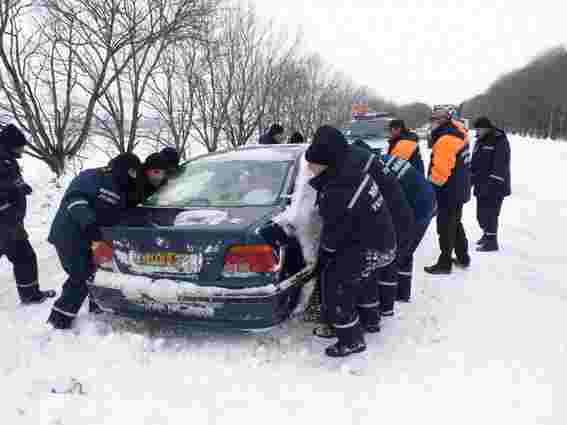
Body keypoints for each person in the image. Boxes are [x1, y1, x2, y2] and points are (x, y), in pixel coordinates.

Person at [304, 125, 397, 358]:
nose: (308, 168)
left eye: (312, 163)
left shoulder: (338, 190)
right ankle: (370, 321)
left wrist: (324, 257)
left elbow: (334, 236)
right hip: (382, 240)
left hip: (370, 246)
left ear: (326, 163)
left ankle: (351, 338)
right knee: (360, 278)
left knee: (335, 283)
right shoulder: (350, 172)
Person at [47, 153, 141, 329]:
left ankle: (97, 306)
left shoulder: (123, 187)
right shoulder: (93, 177)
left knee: (100, 270)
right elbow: (75, 199)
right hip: (70, 234)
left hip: (95, 237)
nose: (134, 176)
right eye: (133, 172)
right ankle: (60, 318)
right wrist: (89, 223)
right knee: (81, 274)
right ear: (124, 169)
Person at [354, 139, 436, 302]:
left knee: (394, 253)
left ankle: (387, 302)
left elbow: (387, 204)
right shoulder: (385, 159)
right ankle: (402, 294)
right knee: (406, 251)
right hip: (429, 201)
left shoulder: (375, 171)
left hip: (418, 208)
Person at [0, 124, 56, 304]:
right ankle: (30, 295)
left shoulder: (7, 159)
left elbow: (8, 181)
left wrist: (21, 186)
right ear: (10, 144)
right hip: (6, 221)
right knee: (25, 256)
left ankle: (29, 294)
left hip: (8, 220)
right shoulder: (2, 161)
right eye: (20, 146)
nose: (22, 149)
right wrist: (9, 213)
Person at [424, 109, 472, 274]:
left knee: (445, 227)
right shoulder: (458, 131)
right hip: (460, 186)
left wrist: (431, 191)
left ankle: (444, 264)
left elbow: (440, 171)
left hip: (448, 190)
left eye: (434, 120)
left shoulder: (446, 139)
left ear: (443, 120)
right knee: (455, 224)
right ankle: (463, 257)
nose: (431, 123)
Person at [470, 116, 511, 252]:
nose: (478, 131)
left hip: (495, 185)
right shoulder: (480, 140)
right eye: (477, 129)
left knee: (490, 214)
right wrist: (470, 177)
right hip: (481, 184)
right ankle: (487, 235)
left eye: (480, 129)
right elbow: (475, 161)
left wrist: (493, 183)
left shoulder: (499, 140)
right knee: (481, 215)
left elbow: (501, 164)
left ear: (487, 128)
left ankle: (492, 242)